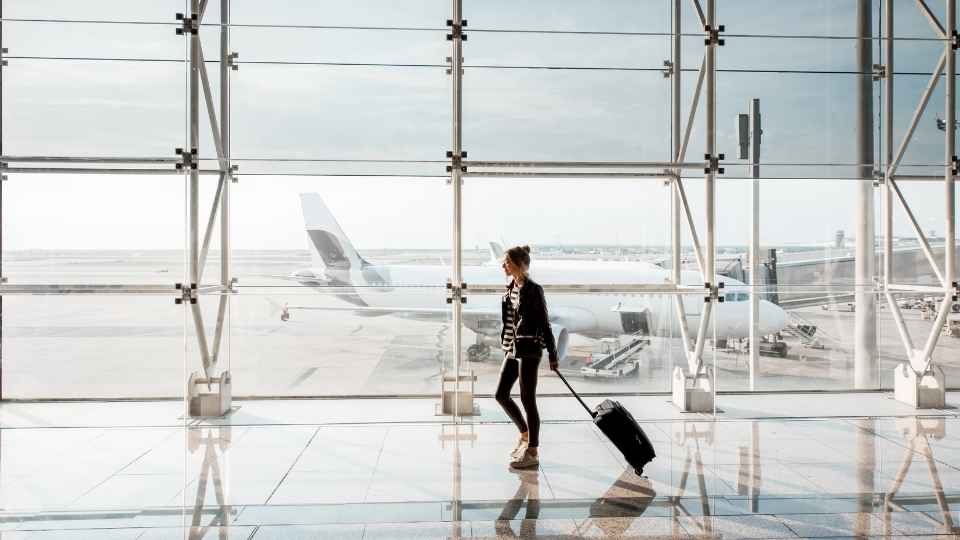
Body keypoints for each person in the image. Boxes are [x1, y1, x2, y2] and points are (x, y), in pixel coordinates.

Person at [496, 245, 558, 469]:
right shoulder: (511, 288)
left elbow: (544, 323)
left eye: (507, 262)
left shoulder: (533, 290)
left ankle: (532, 451)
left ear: (519, 265)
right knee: (501, 394)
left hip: (530, 349)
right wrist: (506, 345)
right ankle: (525, 434)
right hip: (513, 349)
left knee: (527, 399)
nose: (503, 266)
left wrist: (552, 354)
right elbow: (510, 322)